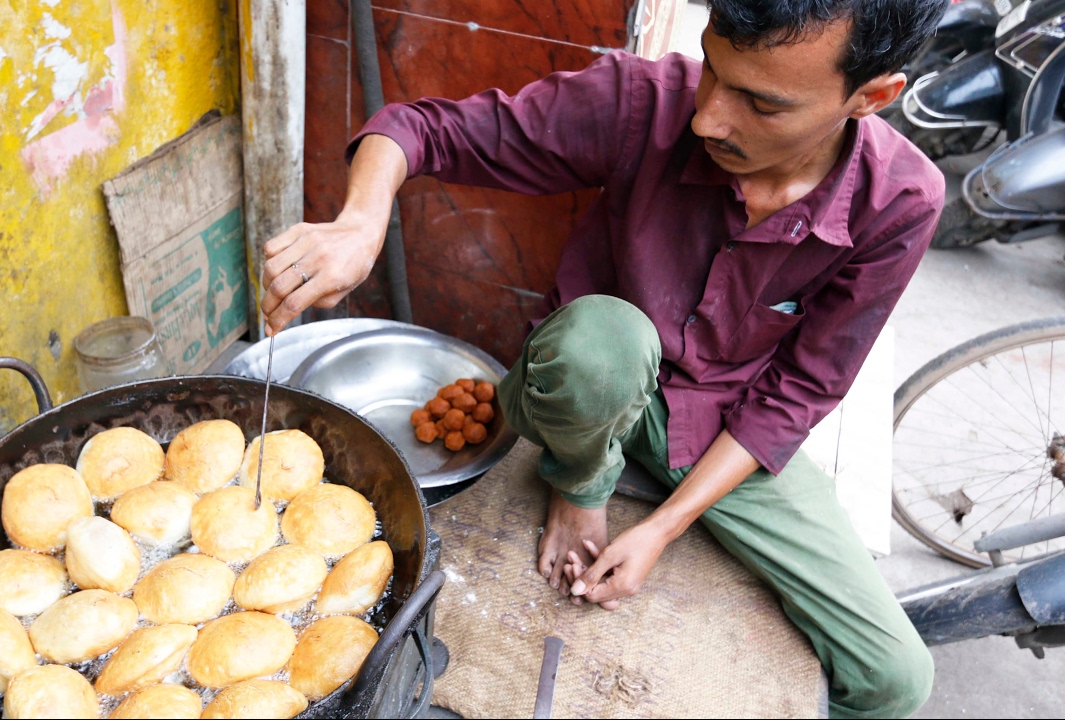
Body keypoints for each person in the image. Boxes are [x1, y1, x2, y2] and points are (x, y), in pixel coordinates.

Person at [260, 0, 947, 715]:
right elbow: (418, 128)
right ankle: (576, 479)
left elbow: (800, 391)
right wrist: (360, 223)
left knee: (895, 679)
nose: (709, 117)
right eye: (713, 68)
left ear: (871, 98)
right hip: (583, 385)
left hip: (725, 425)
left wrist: (661, 528)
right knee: (603, 344)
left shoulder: (900, 201)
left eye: (762, 104)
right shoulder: (648, 103)